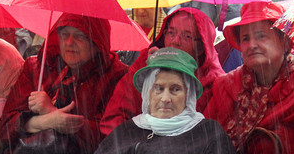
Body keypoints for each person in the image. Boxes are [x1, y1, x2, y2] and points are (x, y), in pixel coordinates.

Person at [0, 13, 128, 154]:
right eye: (64, 34)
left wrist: (54, 113)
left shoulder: (116, 77)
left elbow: (113, 139)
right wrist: (48, 121)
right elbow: (5, 128)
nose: (69, 42)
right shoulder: (37, 68)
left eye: (80, 36)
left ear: (97, 44)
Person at [100, 7, 224, 135]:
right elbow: (114, 117)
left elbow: (206, 136)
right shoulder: (145, 64)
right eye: (171, 32)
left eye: (187, 36)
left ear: (203, 46)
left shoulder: (215, 82)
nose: (175, 41)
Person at [95, 48, 236, 154]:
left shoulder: (208, 133)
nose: (165, 99)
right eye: (158, 88)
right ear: (147, 93)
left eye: (175, 89)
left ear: (188, 95)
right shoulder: (128, 129)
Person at [204, 1, 294, 154]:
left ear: (285, 42)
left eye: (261, 36)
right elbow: (204, 135)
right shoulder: (226, 85)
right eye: (245, 38)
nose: (252, 44)